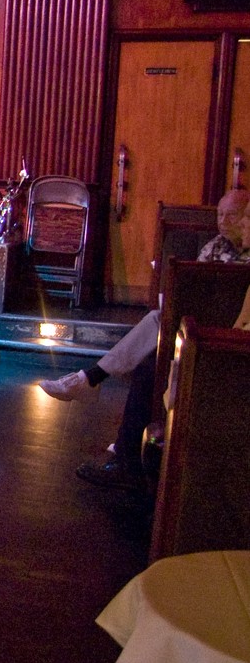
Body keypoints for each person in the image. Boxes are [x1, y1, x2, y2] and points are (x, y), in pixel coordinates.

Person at [38, 187, 250, 488]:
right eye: (219, 214)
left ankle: (92, 383)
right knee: (151, 355)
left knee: (153, 339)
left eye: (234, 216)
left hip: (221, 340)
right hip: (193, 327)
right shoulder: (214, 247)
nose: (224, 221)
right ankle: (113, 428)